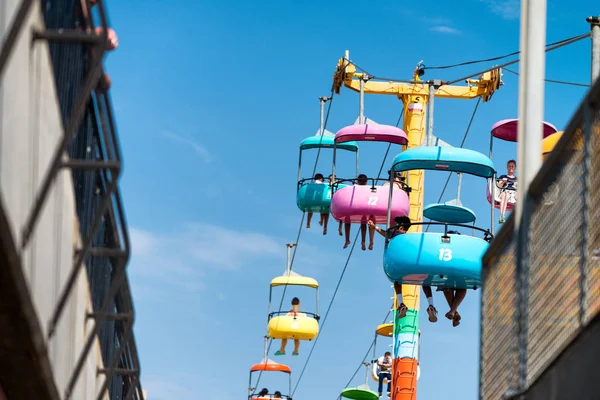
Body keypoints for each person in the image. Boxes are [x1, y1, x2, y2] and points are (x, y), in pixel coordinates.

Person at [369, 216, 438, 323]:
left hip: (403, 264)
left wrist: (374, 227)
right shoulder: (410, 238)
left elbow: (385, 234)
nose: (393, 227)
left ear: (401, 227)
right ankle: (431, 305)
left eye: (395, 225)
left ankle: (401, 304)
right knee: (425, 282)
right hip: (416, 264)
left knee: (397, 280)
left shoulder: (397, 236)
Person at [440, 231, 467, 327]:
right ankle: (453, 311)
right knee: (462, 287)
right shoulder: (461, 248)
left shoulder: (444, 247)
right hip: (458, 268)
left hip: (447, 268)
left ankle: (453, 311)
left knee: (447, 286)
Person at [343, 174, 375, 251]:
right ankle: (370, 240)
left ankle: (347, 239)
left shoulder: (354, 188)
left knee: (347, 221)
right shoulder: (369, 189)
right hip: (366, 207)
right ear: (366, 182)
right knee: (369, 222)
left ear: (358, 181)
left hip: (355, 207)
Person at [498, 160, 517, 224]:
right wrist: (503, 182)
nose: (511, 168)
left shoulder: (517, 179)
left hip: (514, 193)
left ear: (515, 168)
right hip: (505, 191)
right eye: (509, 166)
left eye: (512, 166)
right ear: (507, 167)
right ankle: (502, 216)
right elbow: (498, 186)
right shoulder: (503, 177)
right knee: (505, 195)